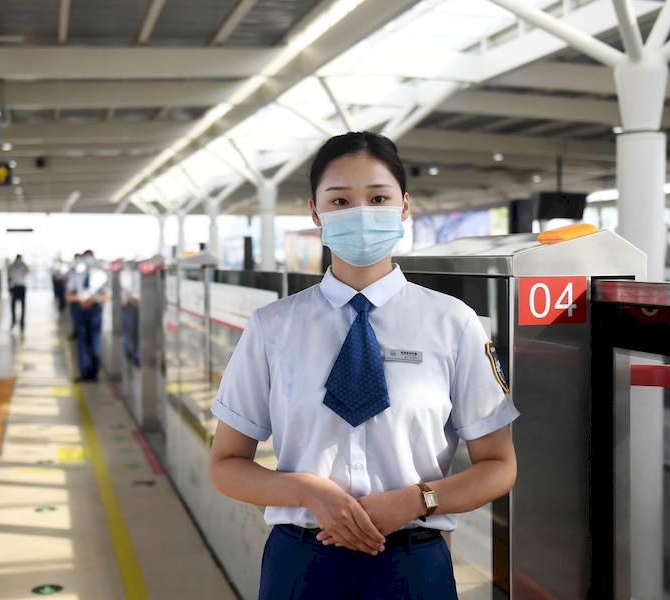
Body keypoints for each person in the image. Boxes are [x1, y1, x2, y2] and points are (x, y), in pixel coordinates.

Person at [209, 132, 519, 599]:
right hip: (302, 561)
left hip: (413, 563)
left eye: (378, 197)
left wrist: (416, 500)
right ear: (316, 211)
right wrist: (307, 491)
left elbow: (498, 465)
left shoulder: (452, 323)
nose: (360, 212)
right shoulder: (273, 328)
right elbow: (226, 464)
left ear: (404, 207)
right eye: (340, 199)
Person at [66, 250, 110, 381]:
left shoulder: (101, 275)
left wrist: (93, 301)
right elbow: (69, 294)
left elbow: (107, 294)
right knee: (82, 341)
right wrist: (80, 299)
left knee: (95, 340)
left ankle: (94, 373)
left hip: (95, 310)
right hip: (81, 310)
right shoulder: (77, 276)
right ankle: (84, 372)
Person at [8, 254, 30, 332]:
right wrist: (13, 264)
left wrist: (24, 264)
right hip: (15, 287)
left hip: (22, 287)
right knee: (13, 306)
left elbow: (29, 272)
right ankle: (14, 322)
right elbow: (8, 272)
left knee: (23, 306)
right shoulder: (12, 267)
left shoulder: (23, 267)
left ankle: (22, 323)